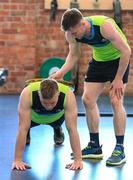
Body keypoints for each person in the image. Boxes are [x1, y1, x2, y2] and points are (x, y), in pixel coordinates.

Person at [50, 8, 131, 166]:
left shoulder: (104, 26)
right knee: (87, 100)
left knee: (115, 101)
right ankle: (94, 146)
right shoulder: (70, 33)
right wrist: (60, 73)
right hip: (99, 62)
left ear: (83, 23)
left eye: (74, 32)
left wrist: (119, 78)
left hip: (118, 61)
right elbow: (73, 55)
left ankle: (119, 148)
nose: (73, 36)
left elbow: (126, 51)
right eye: (70, 33)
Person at [12, 78, 83, 171]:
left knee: (63, 124)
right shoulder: (27, 93)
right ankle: (28, 133)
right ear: (39, 94)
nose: (49, 107)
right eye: (45, 103)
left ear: (58, 93)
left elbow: (72, 129)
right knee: (25, 127)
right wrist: (17, 160)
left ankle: (57, 128)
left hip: (56, 118)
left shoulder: (68, 95)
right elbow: (22, 129)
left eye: (52, 102)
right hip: (34, 118)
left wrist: (78, 160)